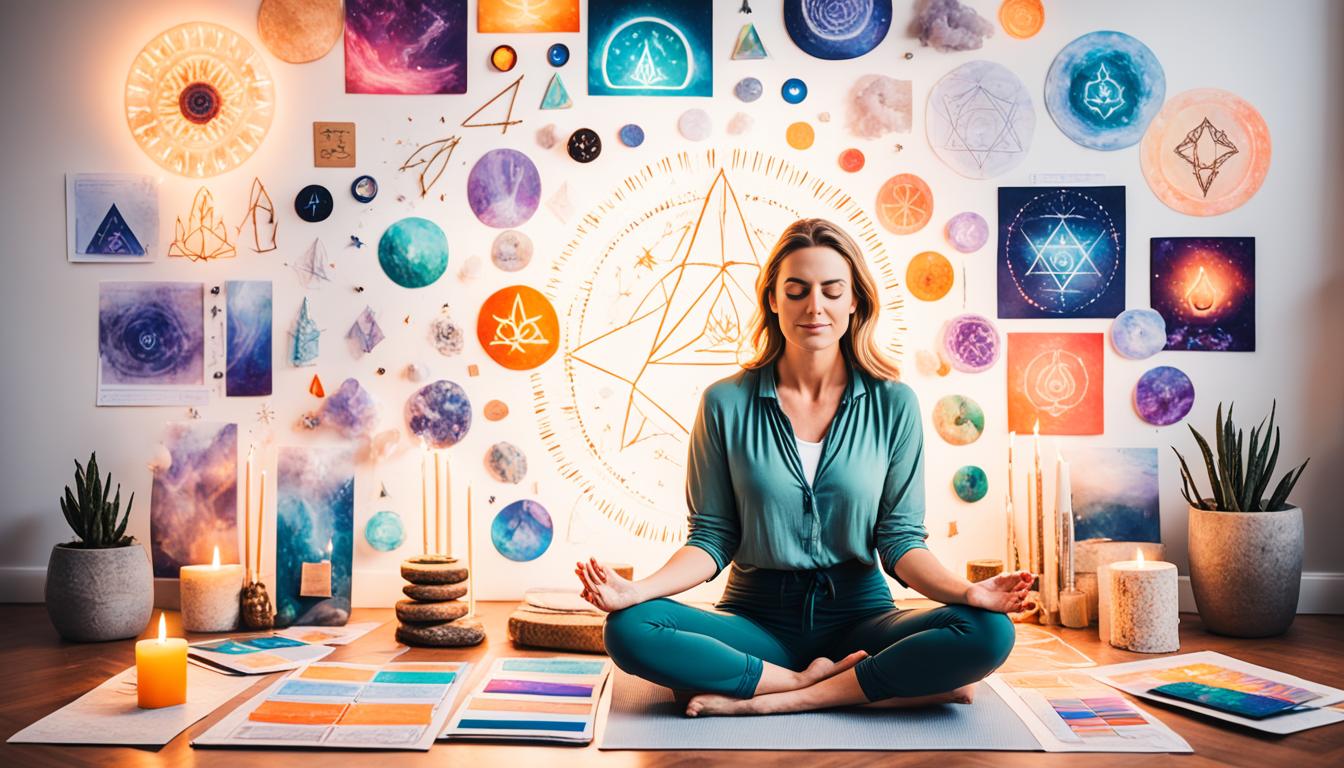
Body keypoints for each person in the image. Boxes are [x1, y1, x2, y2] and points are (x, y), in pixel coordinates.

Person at [576, 218, 1031, 717]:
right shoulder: (724, 403)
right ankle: (831, 683)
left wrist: (969, 592)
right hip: (755, 623)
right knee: (628, 629)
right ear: (773, 299)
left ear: (855, 300)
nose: (815, 307)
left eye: (832, 291)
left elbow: (900, 541)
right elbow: (711, 538)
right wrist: (636, 590)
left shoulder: (893, 403)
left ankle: (779, 699)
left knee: (989, 631)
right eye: (796, 291)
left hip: (863, 619)